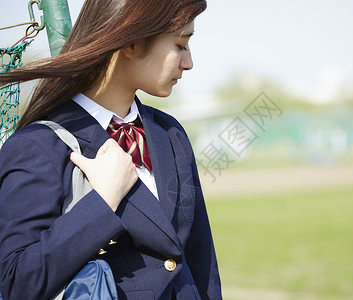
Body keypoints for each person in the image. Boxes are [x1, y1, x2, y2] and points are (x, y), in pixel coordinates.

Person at [0, 0, 222, 299]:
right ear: (131, 41)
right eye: (180, 44)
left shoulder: (171, 133)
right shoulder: (38, 146)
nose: (189, 62)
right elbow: (17, 282)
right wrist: (104, 201)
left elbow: (200, 259)